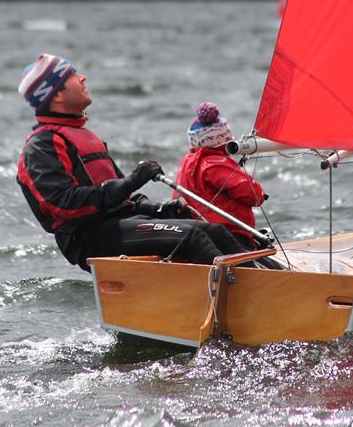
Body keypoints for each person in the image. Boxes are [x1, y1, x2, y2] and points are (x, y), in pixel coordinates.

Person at [15, 54, 260, 272]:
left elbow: (123, 199)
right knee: (192, 235)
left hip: (120, 224)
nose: (82, 78)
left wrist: (159, 209)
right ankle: (249, 297)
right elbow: (64, 205)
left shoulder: (85, 136)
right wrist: (133, 180)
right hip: (88, 237)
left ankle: (274, 278)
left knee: (216, 230)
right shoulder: (41, 146)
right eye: (71, 75)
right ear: (56, 94)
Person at [174, 102, 267, 252]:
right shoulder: (216, 164)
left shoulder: (186, 162)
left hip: (194, 233)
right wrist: (260, 193)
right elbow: (253, 195)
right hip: (226, 236)